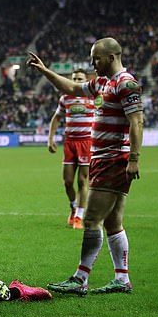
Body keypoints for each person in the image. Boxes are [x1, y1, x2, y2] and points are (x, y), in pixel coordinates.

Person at [27, 37, 144, 295]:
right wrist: (45, 71)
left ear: (111, 57)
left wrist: (134, 159)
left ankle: (80, 279)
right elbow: (72, 88)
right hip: (104, 158)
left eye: (96, 58)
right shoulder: (102, 82)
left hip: (114, 159)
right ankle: (122, 279)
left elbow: (136, 122)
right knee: (113, 222)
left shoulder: (125, 83)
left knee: (91, 219)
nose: (93, 63)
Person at [47, 69, 94, 229]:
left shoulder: (94, 97)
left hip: (87, 143)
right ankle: (74, 207)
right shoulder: (65, 98)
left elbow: (104, 112)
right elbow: (57, 118)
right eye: (74, 78)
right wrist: (50, 138)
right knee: (67, 182)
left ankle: (79, 216)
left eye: (80, 78)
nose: (76, 81)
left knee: (82, 181)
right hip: (70, 143)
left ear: (86, 80)